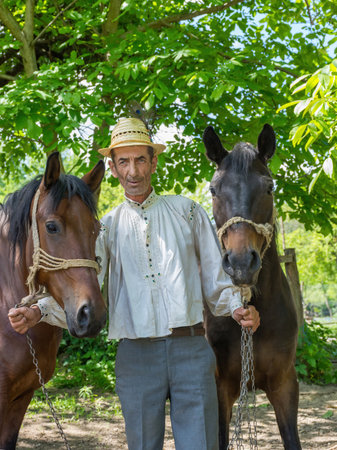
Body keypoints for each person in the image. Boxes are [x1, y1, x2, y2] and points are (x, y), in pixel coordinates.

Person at [8, 117, 260, 450]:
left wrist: (238, 307)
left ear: (153, 162)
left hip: (191, 350)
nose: (133, 171)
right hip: (136, 356)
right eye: (123, 162)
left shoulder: (187, 212)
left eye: (140, 159)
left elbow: (216, 284)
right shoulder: (106, 227)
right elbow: (86, 282)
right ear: (112, 168)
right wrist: (38, 312)